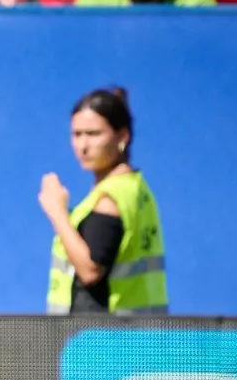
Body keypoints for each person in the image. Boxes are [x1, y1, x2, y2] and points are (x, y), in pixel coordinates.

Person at [40, 87, 168, 316]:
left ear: (122, 137)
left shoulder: (111, 199)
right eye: (77, 134)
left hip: (106, 341)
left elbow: (90, 270)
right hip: (138, 336)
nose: (83, 146)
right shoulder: (135, 186)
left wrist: (57, 213)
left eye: (93, 134)